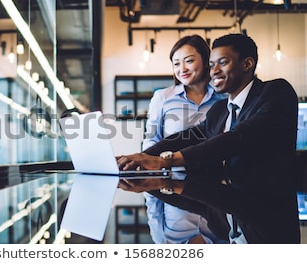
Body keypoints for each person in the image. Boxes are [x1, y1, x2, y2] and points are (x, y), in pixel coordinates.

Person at [117, 33, 301, 243]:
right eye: (212, 64)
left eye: (222, 62)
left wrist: (164, 161)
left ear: (247, 64)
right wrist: (138, 158)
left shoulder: (275, 91)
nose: (214, 71)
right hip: (232, 212)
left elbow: (239, 137)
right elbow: (187, 137)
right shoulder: (220, 110)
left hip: (268, 218)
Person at [142, 35, 226, 244]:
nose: (182, 69)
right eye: (176, 63)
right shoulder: (163, 97)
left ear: (206, 60)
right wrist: (150, 170)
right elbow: (152, 139)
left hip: (218, 181)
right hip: (173, 181)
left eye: (189, 60)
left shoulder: (224, 97)